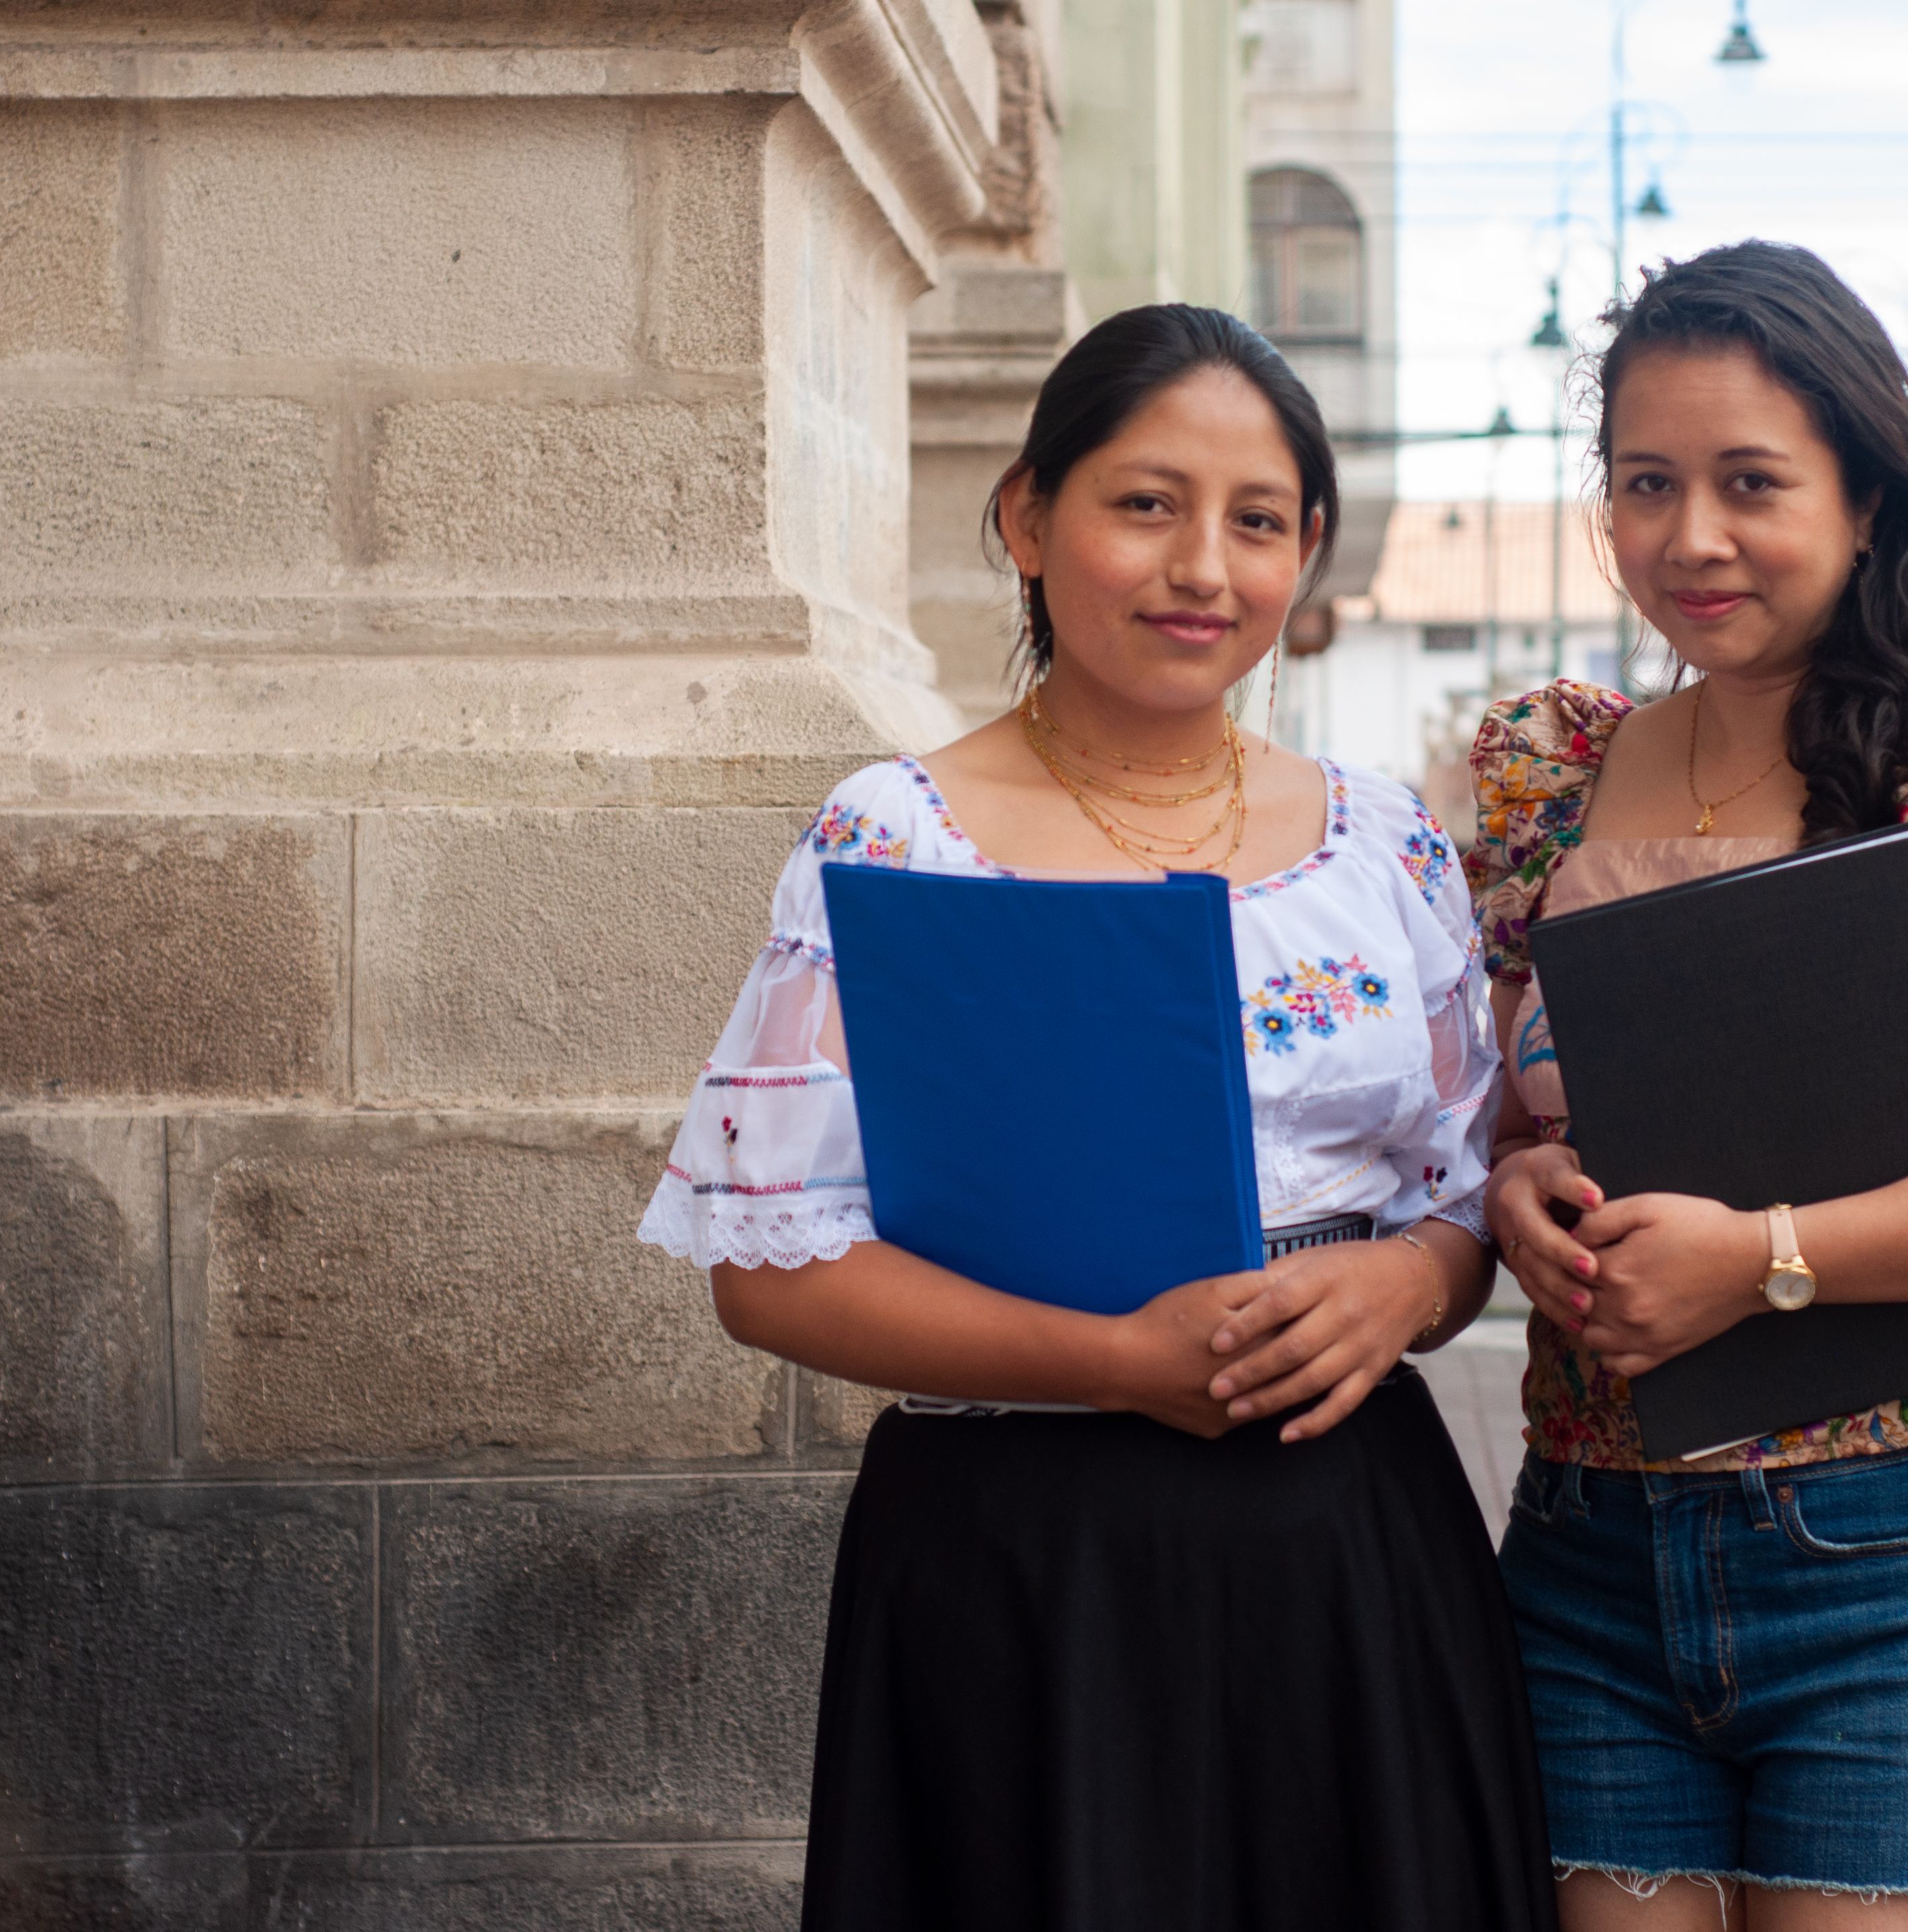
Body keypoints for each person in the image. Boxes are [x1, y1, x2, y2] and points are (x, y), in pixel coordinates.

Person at [641, 304, 1554, 1932]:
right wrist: (1122, 1359)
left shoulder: (1385, 844)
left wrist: (1407, 1281)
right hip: (1017, 1558)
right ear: (1024, 517)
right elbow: (769, 1271)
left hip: (1344, 1540)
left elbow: (1468, 1192)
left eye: (1256, 521)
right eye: (1145, 503)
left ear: (1304, 554)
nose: (1201, 566)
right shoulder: (897, 840)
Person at [1469, 242, 1908, 1931]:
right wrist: (1514, 1190)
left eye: (1750, 482)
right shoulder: (1552, 772)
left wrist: (1760, 1256)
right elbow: (1516, 1118)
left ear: (1863, 497)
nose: (1689, 536)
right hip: (1588, 1548)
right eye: (1644, 482)